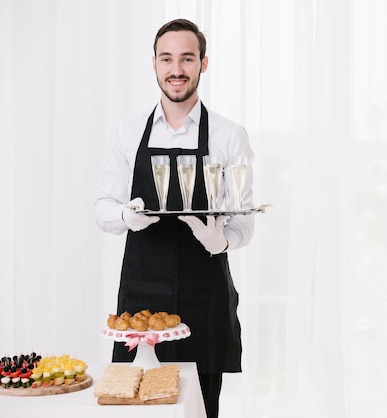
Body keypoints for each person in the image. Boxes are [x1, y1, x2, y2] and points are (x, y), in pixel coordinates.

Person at [94, 18, 254, 417]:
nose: (176, 69)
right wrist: (126, 216)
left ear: (203, 63)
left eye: (187, 58)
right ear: (154, 64)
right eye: (167, 59)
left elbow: (245, 222)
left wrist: (222, 241)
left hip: (205, 296)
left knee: (202, 406)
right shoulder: (128, 133)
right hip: (142, 298)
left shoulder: (229, 135)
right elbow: (103, 209)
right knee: (136, 405)